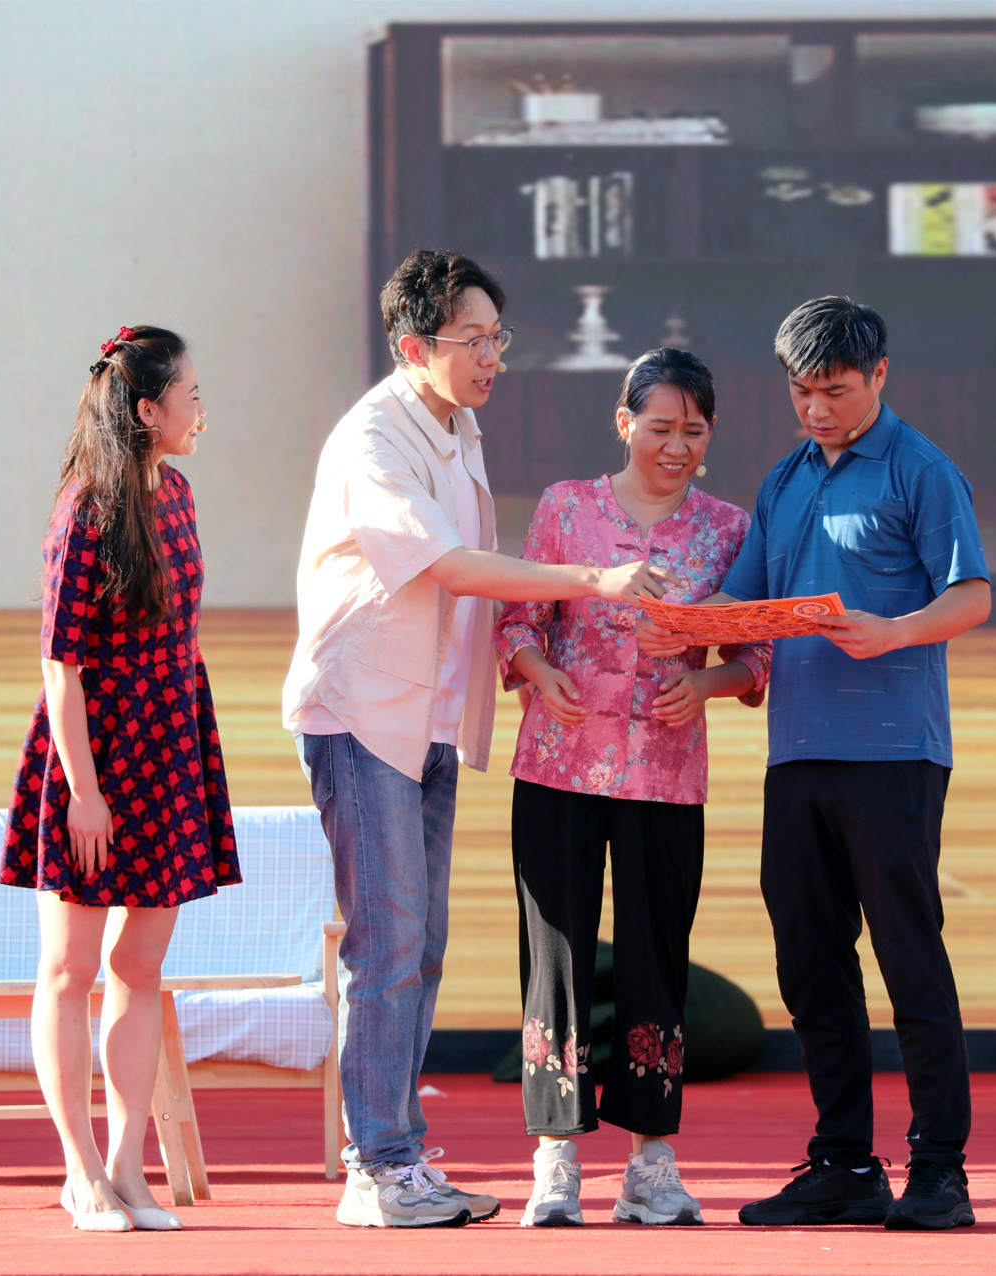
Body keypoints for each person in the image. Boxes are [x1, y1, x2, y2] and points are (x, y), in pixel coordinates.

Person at [282, 250, 676, 1228]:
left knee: (420, 944)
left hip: (424, 720)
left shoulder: (456, 427)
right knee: (387, 943)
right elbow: (453, 565)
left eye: (499, 337)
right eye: (473, 340)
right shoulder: (373, 438)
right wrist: (591, 581)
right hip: (363, 714)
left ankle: (399, 1156)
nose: (494, 356)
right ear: (413, 346)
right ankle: (377, 1167)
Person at [641, 297, 992, 1231]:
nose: (815, 409)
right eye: (801, 391)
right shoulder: (785, 478)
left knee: (909, 959)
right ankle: (843, 1164)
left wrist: (897, 631)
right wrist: (678, 629)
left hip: (894, 753)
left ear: (880, 375)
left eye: (834, 391)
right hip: (795, 754)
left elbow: (972, 596)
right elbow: (741, 608)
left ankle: (940, 1171)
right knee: (809, 963)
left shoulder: (922, 470)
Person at [494, 348, 770, 1228]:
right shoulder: (565, 508)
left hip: (666, 772)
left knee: (658, 954)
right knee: (557, 955)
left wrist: (707, 683)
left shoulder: (729, 529)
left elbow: (754, 649)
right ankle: (555, 1157)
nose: (676, 446)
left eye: (694, 430)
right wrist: (536, 669)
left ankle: (652, 1162)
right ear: (624, 423)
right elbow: (517, 617)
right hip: (559, 762)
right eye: (659, 427)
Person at [1, 325, 239, 1232]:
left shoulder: (175, 494)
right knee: (69, 969)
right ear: (147, 409)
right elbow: (59, 665)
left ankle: (128, 1169)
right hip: (93, 757)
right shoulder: (84, 511)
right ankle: (79, 1173)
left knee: (140, 966)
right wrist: (84, 792)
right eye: (190, 394)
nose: (201, 409)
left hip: (169, 745)